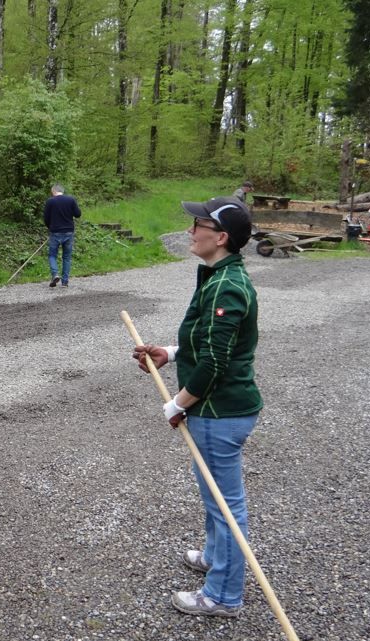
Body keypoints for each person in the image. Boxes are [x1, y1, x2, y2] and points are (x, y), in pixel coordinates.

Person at [133, 195, 262, 618]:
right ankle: (213, 556)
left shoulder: (227, 285)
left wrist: (177, 403)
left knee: (227, 506)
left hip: (221, 412)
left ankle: (223, 595)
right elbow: (205, 344)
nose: (190, 231)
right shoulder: (216, 274)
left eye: (198, 225)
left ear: (220, 237)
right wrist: (169, 353)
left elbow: (215, 362)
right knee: (214, 495)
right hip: (216, 410)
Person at [43, 183, 81, 287]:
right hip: (69, 232)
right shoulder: (71, 200)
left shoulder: (50, 201)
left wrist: (50, 227)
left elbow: (46, 218)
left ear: (54, 191)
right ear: (62, 191)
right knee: (67, 257)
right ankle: (65, 282)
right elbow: (78, 214)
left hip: (55, 232)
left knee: (52, 255)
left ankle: (55, 274)